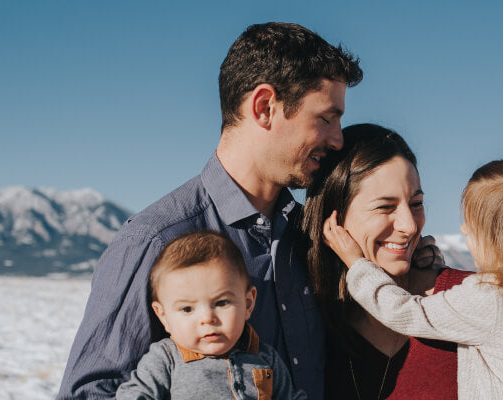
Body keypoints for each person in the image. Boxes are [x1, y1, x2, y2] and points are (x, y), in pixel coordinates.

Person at [56, 22, 363, 399]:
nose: (338, 139)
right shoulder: (154, 241)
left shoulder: (311, 235)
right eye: (326, 118)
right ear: (265, 107)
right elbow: (89, 392)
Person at [323, 155, 503, 399]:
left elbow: (402, 311)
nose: (462, 229)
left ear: (501, 239)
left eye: (473, 225)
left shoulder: (490, 299)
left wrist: (357, 264)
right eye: (385, 206)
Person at [301, 123, 474, 399]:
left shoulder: (469, 299)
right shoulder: (307, 317)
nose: (409, 226)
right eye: (385, 207)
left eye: (416, 204)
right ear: (335, 218)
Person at [116, 232, 306, 400]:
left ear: (248, 304)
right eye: (187, 309)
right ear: (163, 316)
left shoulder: (265, 357)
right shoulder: (166, 359)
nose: (207, 319)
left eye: (222, 303)